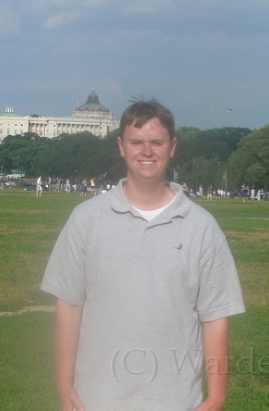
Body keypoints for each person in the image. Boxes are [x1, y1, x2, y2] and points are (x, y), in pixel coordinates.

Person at [41, 100, 245, 411]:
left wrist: (216, 397)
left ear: (172, 147)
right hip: (96, 399)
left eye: (156, 143)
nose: (146, 151)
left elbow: (215, 318)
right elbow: (68, 308)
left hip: (176, 401)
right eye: (137, 142)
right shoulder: (86, 219)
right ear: (122, 147)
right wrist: (64, 385)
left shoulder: (202, 227)